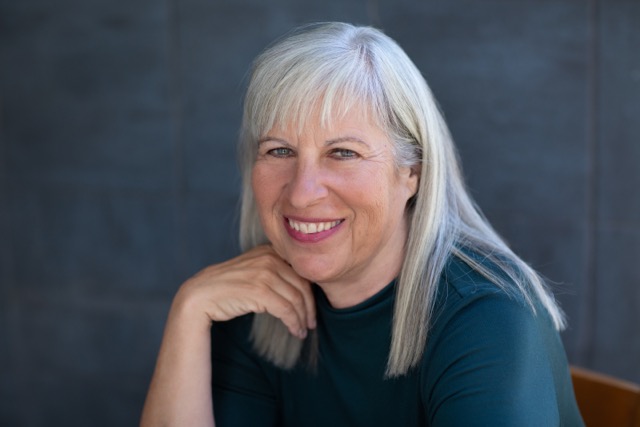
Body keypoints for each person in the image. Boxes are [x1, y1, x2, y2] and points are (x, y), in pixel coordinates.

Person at [140, 22, 584, 426]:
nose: (301, 192)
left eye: (343, 153)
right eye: (279, 151)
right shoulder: (254, 301)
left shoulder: (487, 315)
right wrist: (190, 308)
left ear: (411, 173)